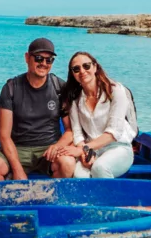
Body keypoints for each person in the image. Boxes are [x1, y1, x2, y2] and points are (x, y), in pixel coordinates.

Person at [0, 38, 76, 181]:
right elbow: (4, 136)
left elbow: (70, 130)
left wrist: (57, 146)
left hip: (48, 149)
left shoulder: (59, 87)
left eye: (49, 60)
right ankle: (10, 199)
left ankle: (50, 198)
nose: (43, 64)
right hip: (18, 148)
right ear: (27, 58)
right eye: (39, 58)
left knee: (67, 164)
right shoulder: (11, 88)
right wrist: (18, 170)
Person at [56, 51, 137, 179]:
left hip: (118, 147)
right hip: (91, 150)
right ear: (73, 74)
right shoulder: (75, 99)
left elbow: (114, 133)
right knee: (79, 175)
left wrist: (82, 149)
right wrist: (84, 153)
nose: (82, 71)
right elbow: (77, 133)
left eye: (86, 66)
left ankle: (109, 199)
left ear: (95, 67)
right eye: (76, 69)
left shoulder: (116, 90)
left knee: (100, 168)